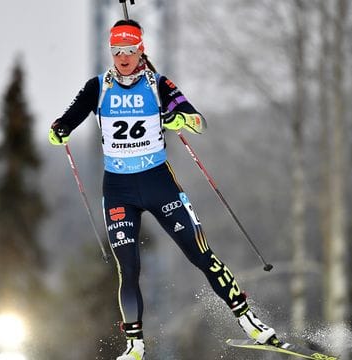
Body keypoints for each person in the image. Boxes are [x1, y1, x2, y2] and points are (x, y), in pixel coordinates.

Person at [49, 19, 282, 360]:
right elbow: (67, 120)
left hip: (159, 184)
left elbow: (199, 122)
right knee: (128, 268)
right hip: (118, 190)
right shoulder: (97, 87)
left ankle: (250, 322)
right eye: (117, 50)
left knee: (200, 254)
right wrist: (59, 129)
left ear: (141, 50)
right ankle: (135, 345)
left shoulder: (158, 84)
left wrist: (180, 119)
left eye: (130, 49)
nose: (123, 57)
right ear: (110, 51)